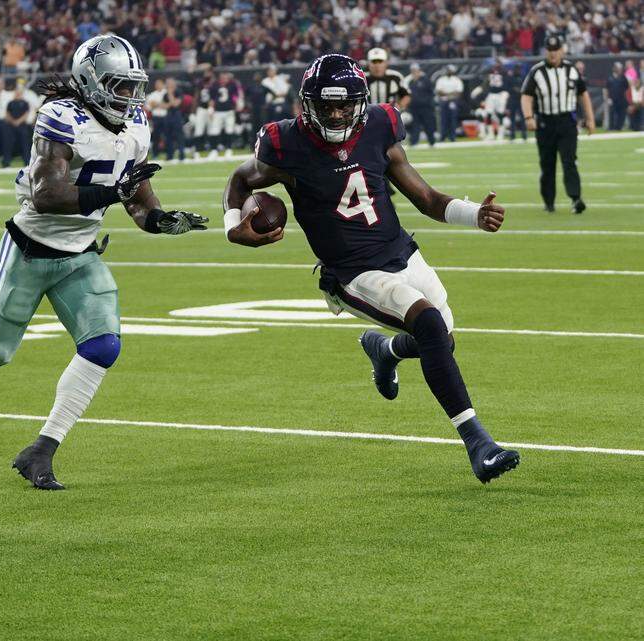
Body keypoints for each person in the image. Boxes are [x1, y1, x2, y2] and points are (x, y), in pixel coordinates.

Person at [222, 53, 519, 485]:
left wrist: (475, 215)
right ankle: (479, 444)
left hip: (400, 250)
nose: (338, 114)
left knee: (442, 342)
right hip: (352, 272)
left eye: (346, 104)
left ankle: (387, 351)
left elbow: (427, 198)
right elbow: (239, 180)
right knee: (431, 326)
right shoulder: (285, 144)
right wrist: (234, 229)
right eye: (327, 106)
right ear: (308, 104)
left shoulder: (380, 126)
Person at [0, 35, 207, 490]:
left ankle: (41, 449)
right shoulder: (61, 115)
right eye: (119, 86)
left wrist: (160, 219)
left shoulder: (136, 123)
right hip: (31, 248)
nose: (129, 96)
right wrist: (113, 195)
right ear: (92, 82)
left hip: (80, 255)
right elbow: (46, 196)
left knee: (103, 347)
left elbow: (138, 198)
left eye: (132, 86)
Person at [520, 35, 595, 214]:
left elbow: (583, 94)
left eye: (556, 50)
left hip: (567, 121)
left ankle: (576, 199)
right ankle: (549, 202)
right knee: (547, 164)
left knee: (570, 161)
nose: (553, 53)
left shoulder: (572, 69)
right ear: (546, 51)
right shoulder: (537, 71)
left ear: (562, 50)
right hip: (545, 123)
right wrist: (528, 117)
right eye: (550, 50)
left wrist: (590, 118)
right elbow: (526, 95)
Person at [405, 63, 436, 146]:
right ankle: (414, 142)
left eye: (416, 70)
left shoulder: (425, 80)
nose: (414, 72)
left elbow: (431, 93)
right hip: (414, 107)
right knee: (415, 125)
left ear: (419, 71)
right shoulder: (409, 81)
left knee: (428, 124)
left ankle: (432, 142)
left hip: (426, 107)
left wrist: (428, 102)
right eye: (413, 71)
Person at [435, 64, 463, 142]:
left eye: (450, 70)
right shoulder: (441, 80)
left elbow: (459, 92)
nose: (449, 72)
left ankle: (452, 137)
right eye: (448, 70)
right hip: (443, 101)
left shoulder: (456, 80)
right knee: (443, 119)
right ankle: (442, 137)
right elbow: (439, 91)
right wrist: (451, 94)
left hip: (453, 101)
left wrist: (448, 95)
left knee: (452, 119)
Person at [4, 86, 32, 165]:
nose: (17, 94)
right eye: (16, 92)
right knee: (9, 144)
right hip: (11, 126)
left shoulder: (25, 103)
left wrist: (18, 121)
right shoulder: (10, 103)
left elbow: (26, 114)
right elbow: (7, 113)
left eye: (19, 92)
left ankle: (27, 161)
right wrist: (13, 121)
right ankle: (6, 162)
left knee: (24, 144)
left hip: (22, 126)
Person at [605, 62, 629, 131]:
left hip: (621, 99)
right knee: (612, 114)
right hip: (612, 99)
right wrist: (608, 98)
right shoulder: (610, 78)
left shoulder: (623, 77)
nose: (619, 70)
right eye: (617, 68)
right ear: (614, 68)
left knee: (621, 114)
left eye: (620, 68)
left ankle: (619, 127)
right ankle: (611, 127)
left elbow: (627, 87)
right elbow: (606, 89)